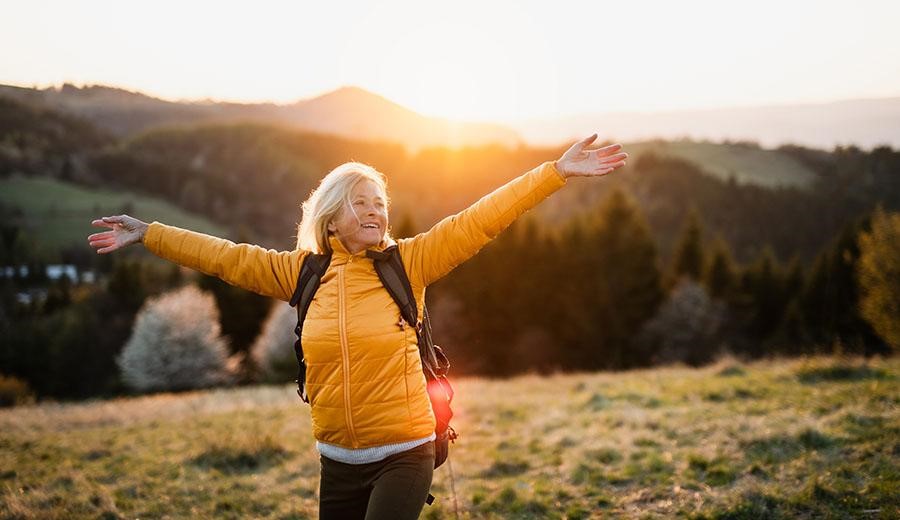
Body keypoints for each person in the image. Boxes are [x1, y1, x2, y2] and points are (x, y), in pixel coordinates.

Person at [87, 134, 627, 519]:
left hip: (406, 451)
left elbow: (481, 218)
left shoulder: (409, 264)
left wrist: (553, 172)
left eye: (380, 203)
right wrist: (149, 233)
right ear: (331, 217)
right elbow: (225, 257)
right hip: (337, 459)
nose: (375, 212)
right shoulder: (302, 274)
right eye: (360, 203)